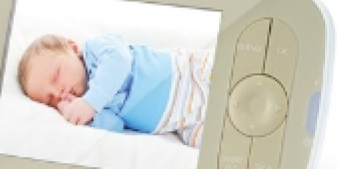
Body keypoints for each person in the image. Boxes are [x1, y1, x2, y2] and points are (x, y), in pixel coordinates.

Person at [17, 33, 213, 148]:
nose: (58, 92)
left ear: (73, 48)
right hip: (180, 121)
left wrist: (90, 103)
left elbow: (120, 59)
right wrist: (83, 119)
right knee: (209, 142)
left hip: (188, 73)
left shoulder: (96, 50)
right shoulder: (92, 108)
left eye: (56, 75)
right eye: (50, 99)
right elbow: (115, 127)